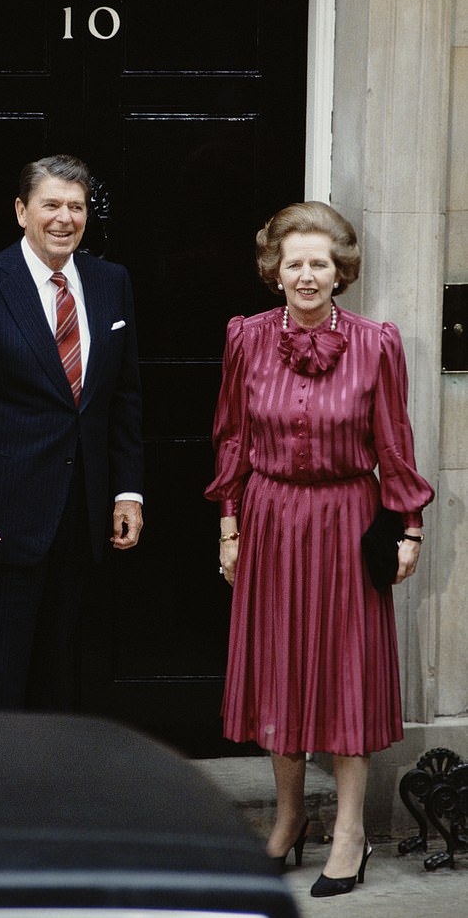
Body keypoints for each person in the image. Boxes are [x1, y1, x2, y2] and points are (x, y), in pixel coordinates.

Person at [205, 202, 434, 898]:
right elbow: (233, 440)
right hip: (271, 518)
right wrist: (230, 524)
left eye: (321, 263)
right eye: (294, 262)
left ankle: (352, 831)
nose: (307, 275)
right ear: (275, 271)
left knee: (343, 673)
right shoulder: (245, 338)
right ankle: (289, 817)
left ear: (342, 271)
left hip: (346, 518)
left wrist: (410, 527)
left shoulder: (377, 343)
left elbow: (394, 443)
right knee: (280, 666)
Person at [0, 154, 144, 712]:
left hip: (84, 516)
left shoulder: (110, 282)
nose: (65, 218)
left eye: (76, 206)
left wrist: (127, 491)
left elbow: (123, 397)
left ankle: (50, 792)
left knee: (63, 673)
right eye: (51, 205)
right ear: (22, 211)